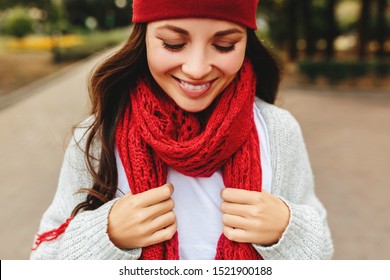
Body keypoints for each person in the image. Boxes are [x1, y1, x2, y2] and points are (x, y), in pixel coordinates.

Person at [30, 0, 333, 260]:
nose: (197, 68)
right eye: (173, 44)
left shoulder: (278, 131)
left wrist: (288, 228)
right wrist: (106, 235)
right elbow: (43, 255)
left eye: (224, 45)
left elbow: (323, 249)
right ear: (143, 38)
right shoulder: (99, 134)